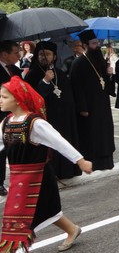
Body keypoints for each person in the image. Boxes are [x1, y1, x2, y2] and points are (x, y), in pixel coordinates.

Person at [0, 77, 93, 253]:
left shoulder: (35, 123)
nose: (0, 100)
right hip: (18, 180)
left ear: (18, 99)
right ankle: (72, 229)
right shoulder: (6, 123)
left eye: (4, 96)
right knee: (45, 211)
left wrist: (80, 161)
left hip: (37, 178)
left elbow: (59, 142)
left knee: (16, 220)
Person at [24, 41, 82, 179]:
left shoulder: (60, 73)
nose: (44, 57)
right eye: (41, 54)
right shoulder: (31, 75)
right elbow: (32, 99)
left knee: (65, 142)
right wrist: (45, 81)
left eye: (48, 54)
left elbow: (68, 95)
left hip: (64, 118)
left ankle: (67, 171)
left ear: (54, 57)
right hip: (47, 118)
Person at [69, 30, 116, 171]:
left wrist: (110, 75)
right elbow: (76, 88)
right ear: (85, 45)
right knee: (92, 135)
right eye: (94, 43)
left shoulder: (101, 61)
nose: (97, 46)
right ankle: (92, 163)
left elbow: (107, 87)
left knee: (104, 133)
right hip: (89, 107)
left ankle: (106, 162)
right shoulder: (78, 63)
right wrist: (82, 108)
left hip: (102, 105)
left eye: (97, 43)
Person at [0, 40, 23, 196]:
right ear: (4, 54)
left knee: (17, 146)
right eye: (15, 53)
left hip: (17, 113)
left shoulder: (15, 69)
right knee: (2, 150)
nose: (18, 56)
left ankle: (19, 178)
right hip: (1, 114)